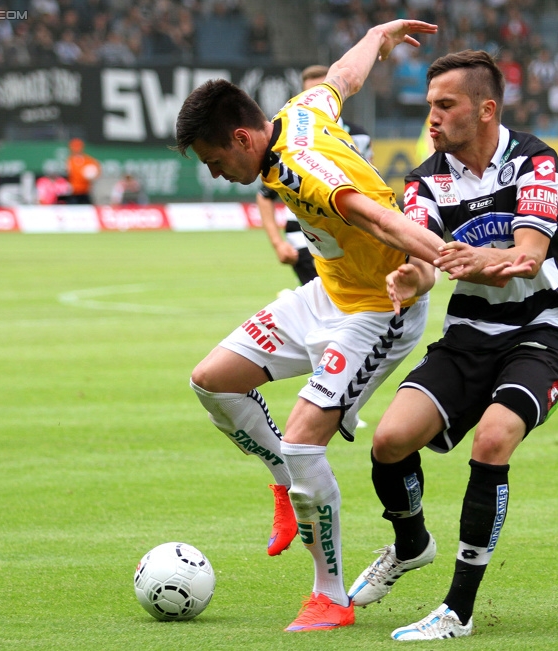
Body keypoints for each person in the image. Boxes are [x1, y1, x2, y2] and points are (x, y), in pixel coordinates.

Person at [174, 19, 452, 633]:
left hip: (379, 309)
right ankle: (284, 486)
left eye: (217, 160)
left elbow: (381, 221)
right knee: (212, 380)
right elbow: (342, 78)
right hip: (327, 291)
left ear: (243, 138)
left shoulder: (302, 169)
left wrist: (446, 258)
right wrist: (378, 36)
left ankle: (330, 595)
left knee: (303, 441)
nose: (218, 174)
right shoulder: (299, 111)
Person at [347, 50, 558, 640]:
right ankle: (411, 545)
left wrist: (486, 260)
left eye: (445, 105)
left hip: (544, 331)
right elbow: (427, 259)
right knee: (389, 440)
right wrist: (411, 276)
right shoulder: (425, 179)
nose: (432, 117)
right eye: (429, 105)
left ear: (485, 110)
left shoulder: (534, 159)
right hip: (469, 335)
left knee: (494, 437)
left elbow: (529, 254)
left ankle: (458, 609)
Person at [256, 64, 374, 287]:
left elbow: (369, 180)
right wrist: (278, 244)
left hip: (350, 233)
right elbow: (264, 196)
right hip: (304, 235)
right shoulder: (291, 139)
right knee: (334, 305)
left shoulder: (359, 136)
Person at [66, 138, 101, 204]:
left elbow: (97, 170)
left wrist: (93, 175)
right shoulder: (70, 161)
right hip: (74, 192)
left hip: (85, 191)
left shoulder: (88, 160)